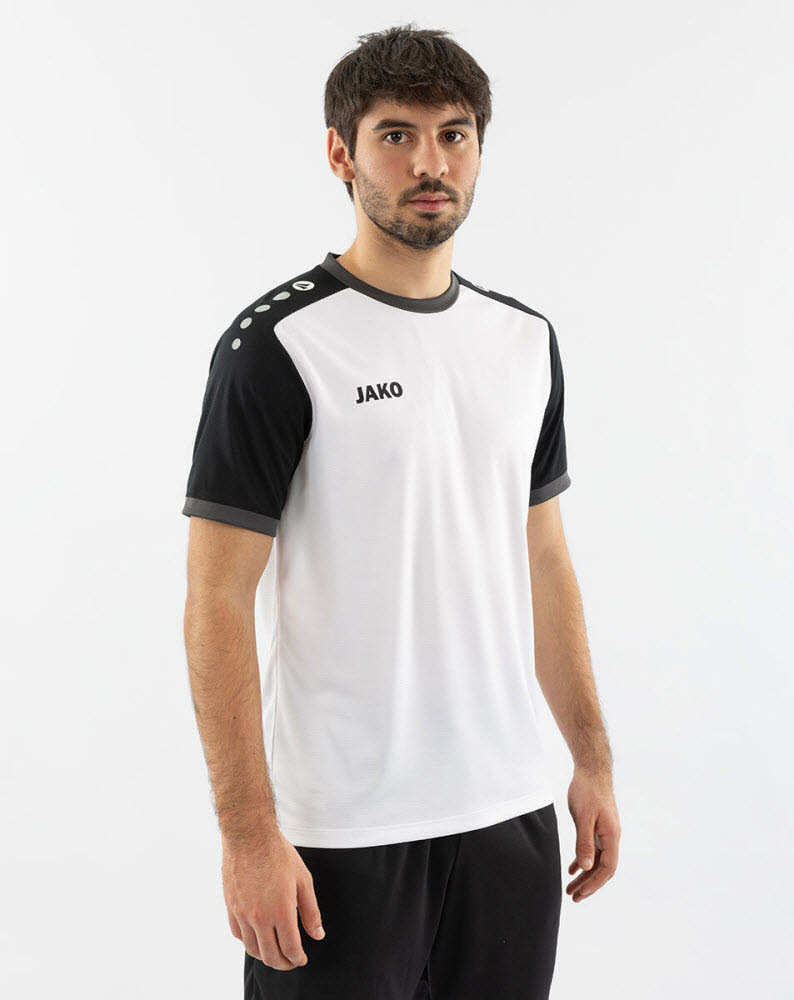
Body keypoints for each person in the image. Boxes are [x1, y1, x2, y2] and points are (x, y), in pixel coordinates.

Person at [181, 22, 620, 1000]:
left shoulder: (524, 342)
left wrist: (589, 760)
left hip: (509, 818)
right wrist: (247, 835)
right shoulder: (278, 347)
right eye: (396, 135)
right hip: (342, 835)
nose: (430, 163)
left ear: (478, 150)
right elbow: (216, 597)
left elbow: (544, 559)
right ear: (340, 153)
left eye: (453, 135)